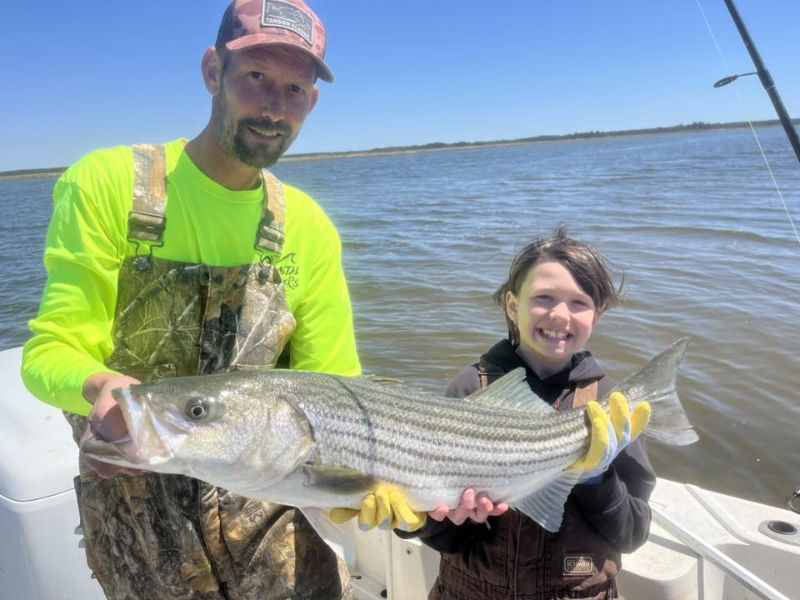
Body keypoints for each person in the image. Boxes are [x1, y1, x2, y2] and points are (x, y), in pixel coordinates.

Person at [21, 1, 362, 598]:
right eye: (256, 77)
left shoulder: (310, 227)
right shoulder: (106, 184)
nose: (274, 108)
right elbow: (53, 348)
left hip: (275, 527)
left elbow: (334, 386)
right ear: (213, 71)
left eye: (296, 88)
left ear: (312, 102)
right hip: (140, 529)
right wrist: (100, 389)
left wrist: (375, 478)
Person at [404, 226, 656, 600]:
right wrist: (418, 520)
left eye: (579, 303)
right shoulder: (471, 387)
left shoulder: (608, 402)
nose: (559, 314)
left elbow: (633, 533)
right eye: (543, 297)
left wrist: (597, 480)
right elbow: (451, 539)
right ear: (511, 304)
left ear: (597, 315)